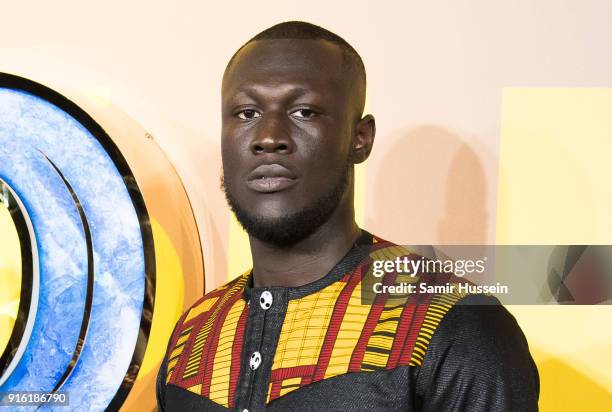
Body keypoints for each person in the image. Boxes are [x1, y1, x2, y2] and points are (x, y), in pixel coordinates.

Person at [156, 21, 539, 411]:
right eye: (246, 112)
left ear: (360, 138)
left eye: (304, 111)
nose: (269, 137)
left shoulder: (453, 324)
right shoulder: (194, 334)